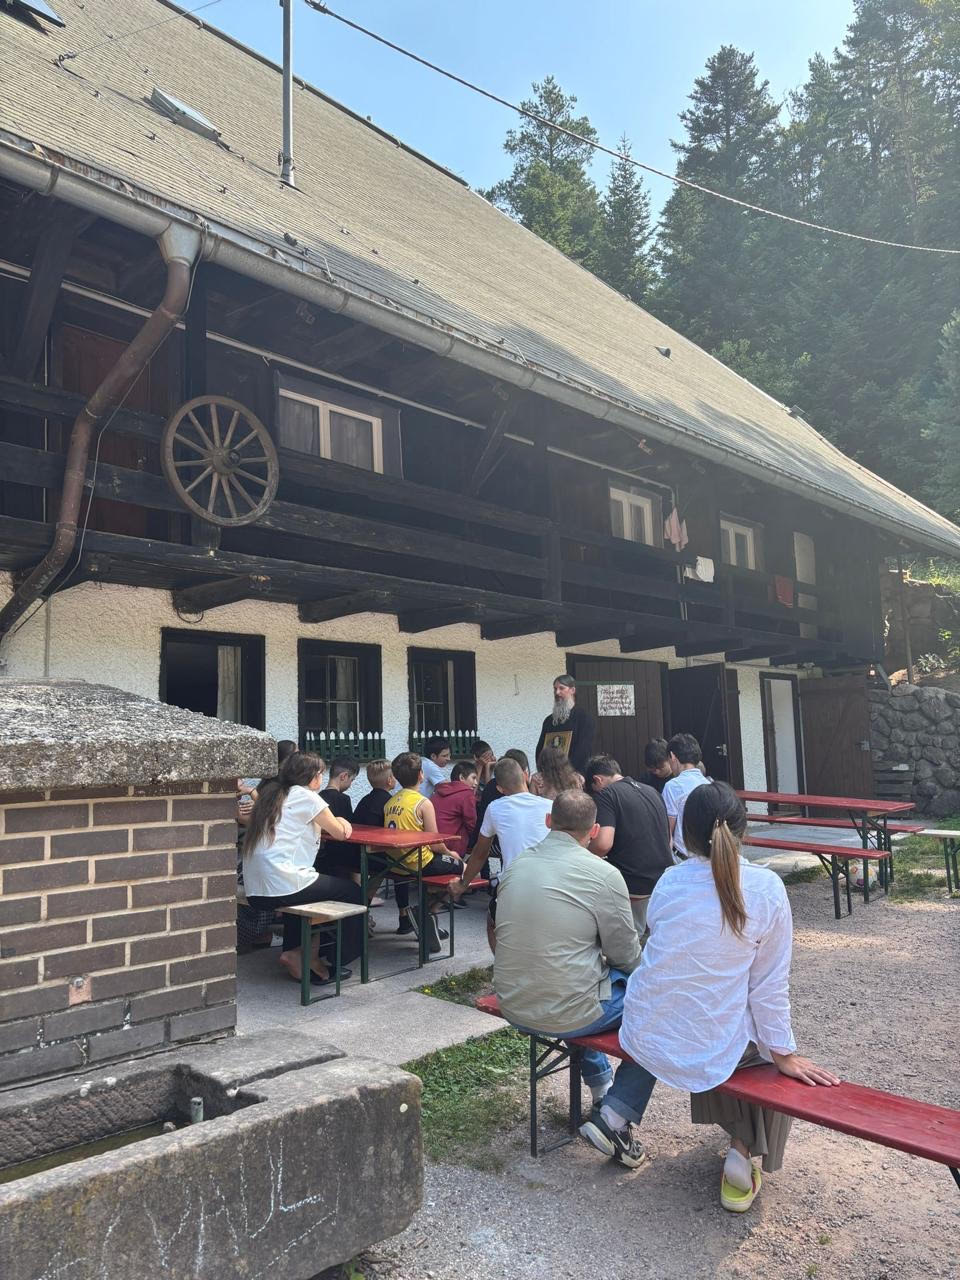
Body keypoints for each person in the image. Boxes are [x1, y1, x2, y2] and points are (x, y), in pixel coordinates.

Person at [579, 782, 839, 1206]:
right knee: (762, 1047)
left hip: (646, 1031)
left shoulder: (669, 881)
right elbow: (769, 988)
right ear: (743, 829)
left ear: (685, 834)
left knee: (688, 1009)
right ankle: (741, 1150)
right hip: (702, 1042)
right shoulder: (766, 887)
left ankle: (616, 1110)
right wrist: (784, 1053)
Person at [493, 789, 642, 1111]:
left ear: (548, 821)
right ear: (594, 830)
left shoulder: (516, 865)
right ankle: (616, 1112)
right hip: (569, 1011)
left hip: (514, 1002)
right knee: (656, 1006)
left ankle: (601, 1084)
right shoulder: (604, 874)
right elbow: (626, 956)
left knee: (578, 977)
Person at [242, 752, 364, 985]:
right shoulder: (308, 797)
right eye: (321, 774)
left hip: (256, 888)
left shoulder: (272, 795)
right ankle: (333, 957)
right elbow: (340, 832)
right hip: (283, 881)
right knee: (351, 891)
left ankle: (297, 953)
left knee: (306, 896)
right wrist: (344, 821)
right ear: (314, 776)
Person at [384, 751, 464, 953]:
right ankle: (426, 911)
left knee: (440, 875)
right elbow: (435, 843)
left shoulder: (390, 802)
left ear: (396, 777)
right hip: (418, 861)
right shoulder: (423, 803)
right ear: (421, 775)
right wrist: (452, 854)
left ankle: (429, 919)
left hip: (396, 863)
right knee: (465, 869)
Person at [585, 753, 673, 936]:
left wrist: (584, 853)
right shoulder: (652, 791)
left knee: (630, 940)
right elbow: (668, 840)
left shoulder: (606, 795)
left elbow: (602, 844)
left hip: (633, 884)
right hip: (662, 880)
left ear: (597, 780)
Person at [353, 758, 414, 935]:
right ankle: (404, 916)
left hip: (358, 854)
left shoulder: (364, 801)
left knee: (391, 865)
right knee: (402, 866)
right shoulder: (391, 803)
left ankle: (363, 914)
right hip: (377, 857)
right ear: (390, 780)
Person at [662, 733, 711, 859]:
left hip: (682, 857)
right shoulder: (708, 784)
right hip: (708, 856)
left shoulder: (672, 786)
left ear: (672, 756)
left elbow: (667, 830)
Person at [534, 675, 595, 775]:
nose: (557, 692)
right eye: (555, 689)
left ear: (572, 690)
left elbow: (583, 751)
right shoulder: (548, 721)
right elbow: (540, 750)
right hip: (550, 775)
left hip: (574, 775)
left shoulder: (584, 718)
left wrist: (566, 772)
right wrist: (542, 771)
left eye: (561, 688)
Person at [316, 758, 359, 873]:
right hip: (341, 858)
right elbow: (348, 829)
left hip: (320, 855)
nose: (350, 785)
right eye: (352, 780)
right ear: (343, 776)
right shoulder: (344, 799)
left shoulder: (318, 797)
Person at [431, 761, 479, 856]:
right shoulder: (467, 794)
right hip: (452, 847)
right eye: (473, 778)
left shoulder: (438, 791)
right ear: (461, 777)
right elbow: (472, 824)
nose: (476, 783)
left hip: (432, 844)